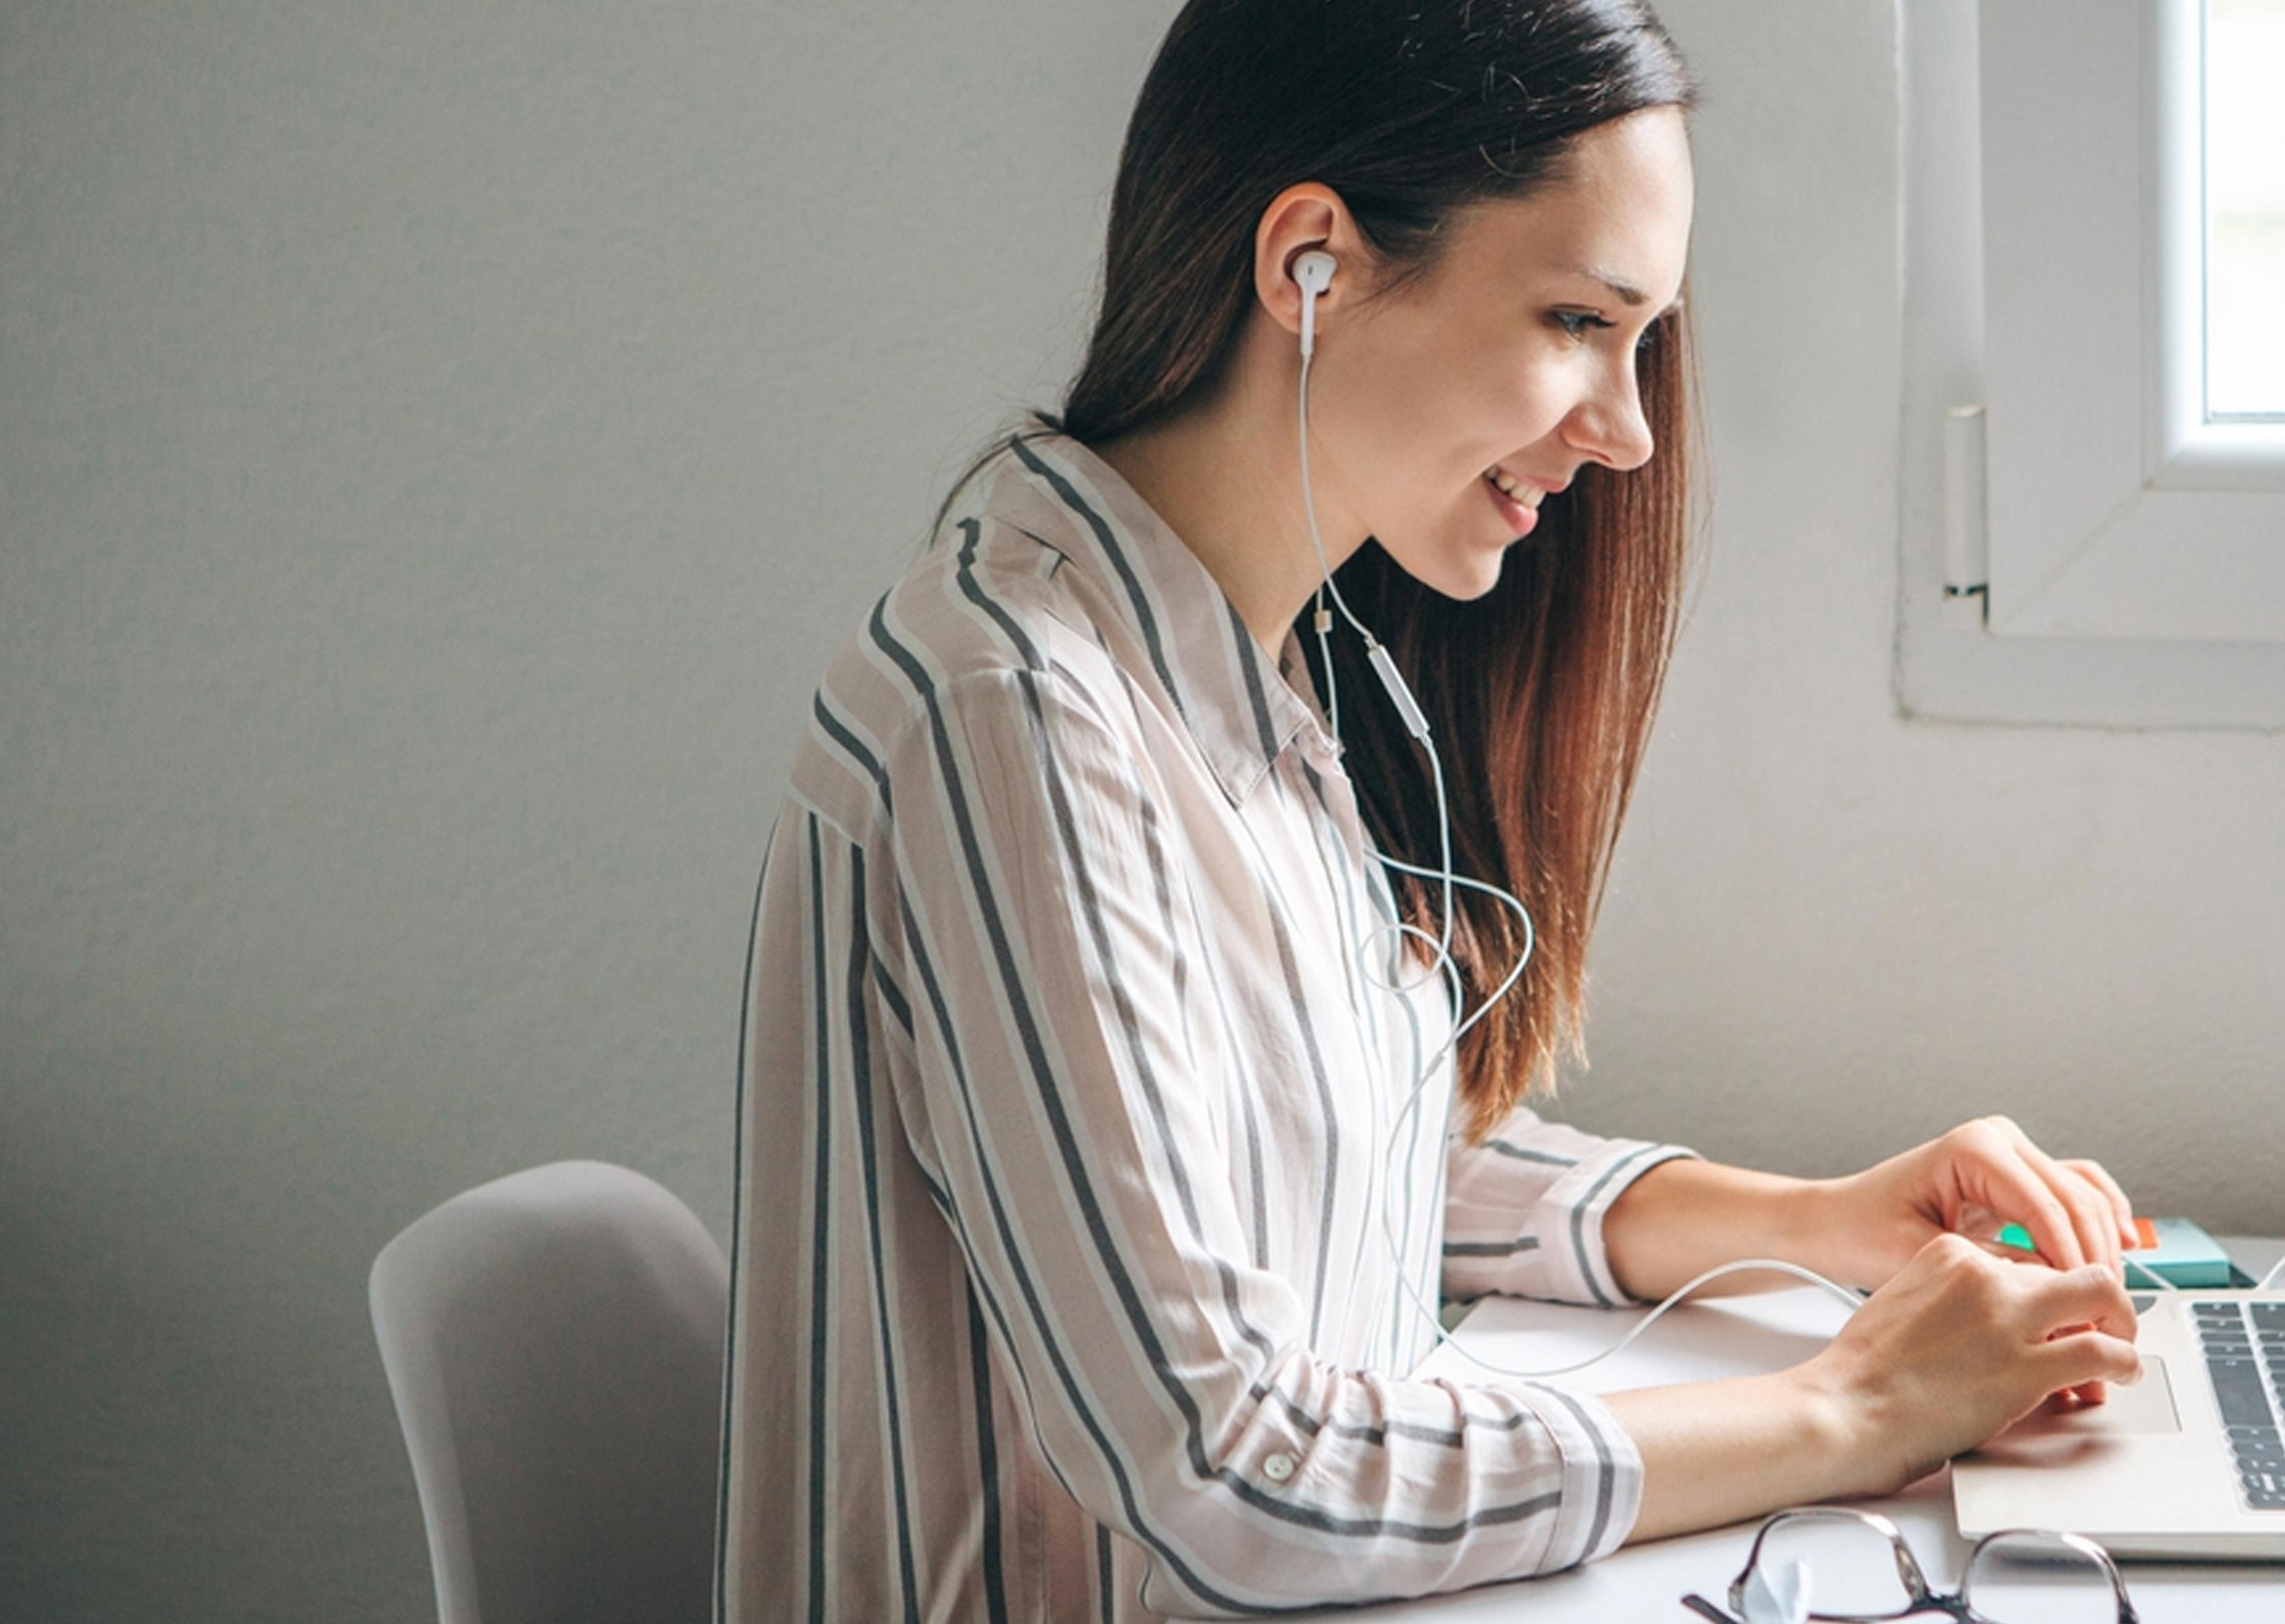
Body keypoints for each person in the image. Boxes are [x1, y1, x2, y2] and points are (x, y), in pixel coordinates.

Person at [714, 3, 2147, 1619]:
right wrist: (1848, 1408)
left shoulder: (1254, 668)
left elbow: (1322, 1154)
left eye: (1640, 337)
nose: (1628, 429)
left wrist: (1812, 1226)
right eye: (1573, 319)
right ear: (1310, 260)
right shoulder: (1015, 711)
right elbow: (1226, 1465)